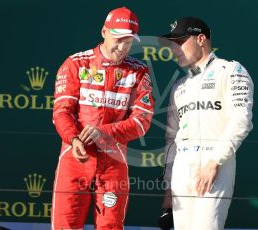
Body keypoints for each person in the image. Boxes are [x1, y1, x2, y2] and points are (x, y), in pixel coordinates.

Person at [51, 7, 154, 230]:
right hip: (75, 156)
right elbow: (62, 111)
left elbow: (141, 122)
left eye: (128, 41)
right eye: (118, 39)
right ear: (104, 31)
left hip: (113, 162)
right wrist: (74, 138)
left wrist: (104, 132)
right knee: (65, 225)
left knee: (110, 226)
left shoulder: (139, 72)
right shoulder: (76, 64)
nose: (122, 47)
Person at [160, 17, 254, 230]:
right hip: (182, 168)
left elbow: (242, 121)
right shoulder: (179, 86)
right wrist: (168, 189)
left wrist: (214, 161)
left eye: (180, 42)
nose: (174, 49)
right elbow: (171, 139)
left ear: (201, 39)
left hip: (214, 163)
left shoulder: (230, 71)